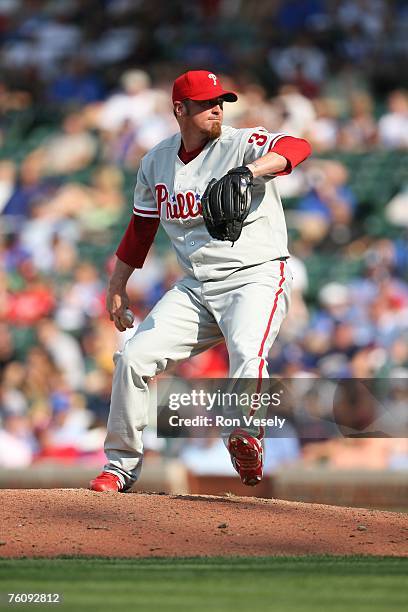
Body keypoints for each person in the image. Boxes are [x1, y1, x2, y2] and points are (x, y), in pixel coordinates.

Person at [90, 70, 311, 492]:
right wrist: (117, 285)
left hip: (255, 275)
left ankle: (245, 436)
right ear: (180, 109)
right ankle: (119, 467)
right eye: (207, 103)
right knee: (133, 358)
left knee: (248, 350)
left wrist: (250, 171)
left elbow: (296, 147)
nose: (217, 110)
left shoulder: (240, 143)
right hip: (196, 286)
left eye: (221, 102)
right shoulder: (155, 161)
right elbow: (141, 227)